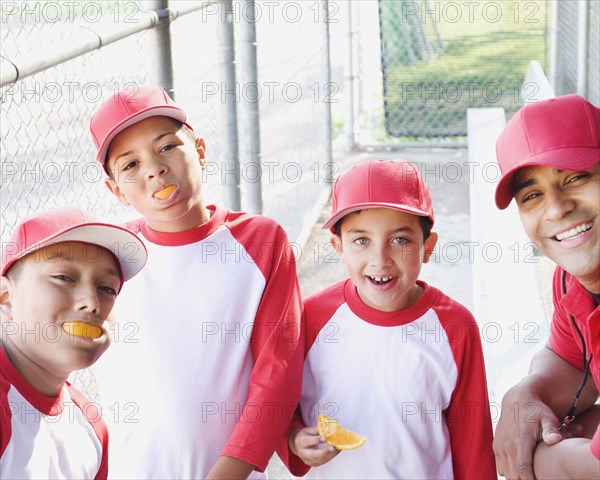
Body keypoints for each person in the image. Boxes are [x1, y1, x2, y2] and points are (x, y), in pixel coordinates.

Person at [88, 85, 303, 479]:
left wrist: (228, 473)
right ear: (115, 190)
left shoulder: (260, 242)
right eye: (130, 165)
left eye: (167, 146)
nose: (154, 168)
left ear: (200, 149)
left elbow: (278, 372)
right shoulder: (108, 258)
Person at [283, 159, 497, 478]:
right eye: (361, 241)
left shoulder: (456, 327)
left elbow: (473, 441)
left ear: (428, 246)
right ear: (338, 247)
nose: (379, 259)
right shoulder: (311, 317)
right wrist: (294, 438)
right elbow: (281, 404)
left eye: (400, 240)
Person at [492, 94, 600, 479]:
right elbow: (573, 361)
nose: (556, 209)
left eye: (576, 177)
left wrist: (543, 462)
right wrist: (526, 393)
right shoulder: (572, 278)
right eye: (533, 195)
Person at [0, 206, 147, 479]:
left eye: (106, 288)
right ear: (7, 299)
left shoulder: (89, 425)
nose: (92, 303)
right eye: (64, 278)